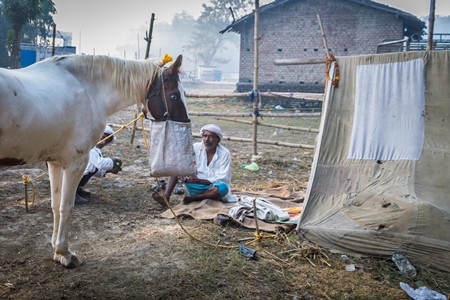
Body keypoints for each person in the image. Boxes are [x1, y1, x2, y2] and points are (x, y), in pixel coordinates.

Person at [151, 124, 236, 207]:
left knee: (223, 187)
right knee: (176, 168)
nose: (206, 139)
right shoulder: (195, 148)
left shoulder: (225, 153)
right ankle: (166, 197)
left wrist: (200, 181)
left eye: (211, 137)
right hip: (194, 186)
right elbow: (184, 164)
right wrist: (183, 174)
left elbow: (223, 178)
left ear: (218, 139)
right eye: (205, 136)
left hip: (212, 188)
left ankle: (195, 198)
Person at [75, 125, 122, 204]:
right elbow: (100, 164)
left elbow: (95, 168)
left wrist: (109, 171)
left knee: (91, 167)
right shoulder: (90, 148)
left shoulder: (96, 151)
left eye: (107, 140)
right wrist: (114, 160)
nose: (104, 141)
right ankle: (71, 194)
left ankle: (77, 189)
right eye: (102, 137)